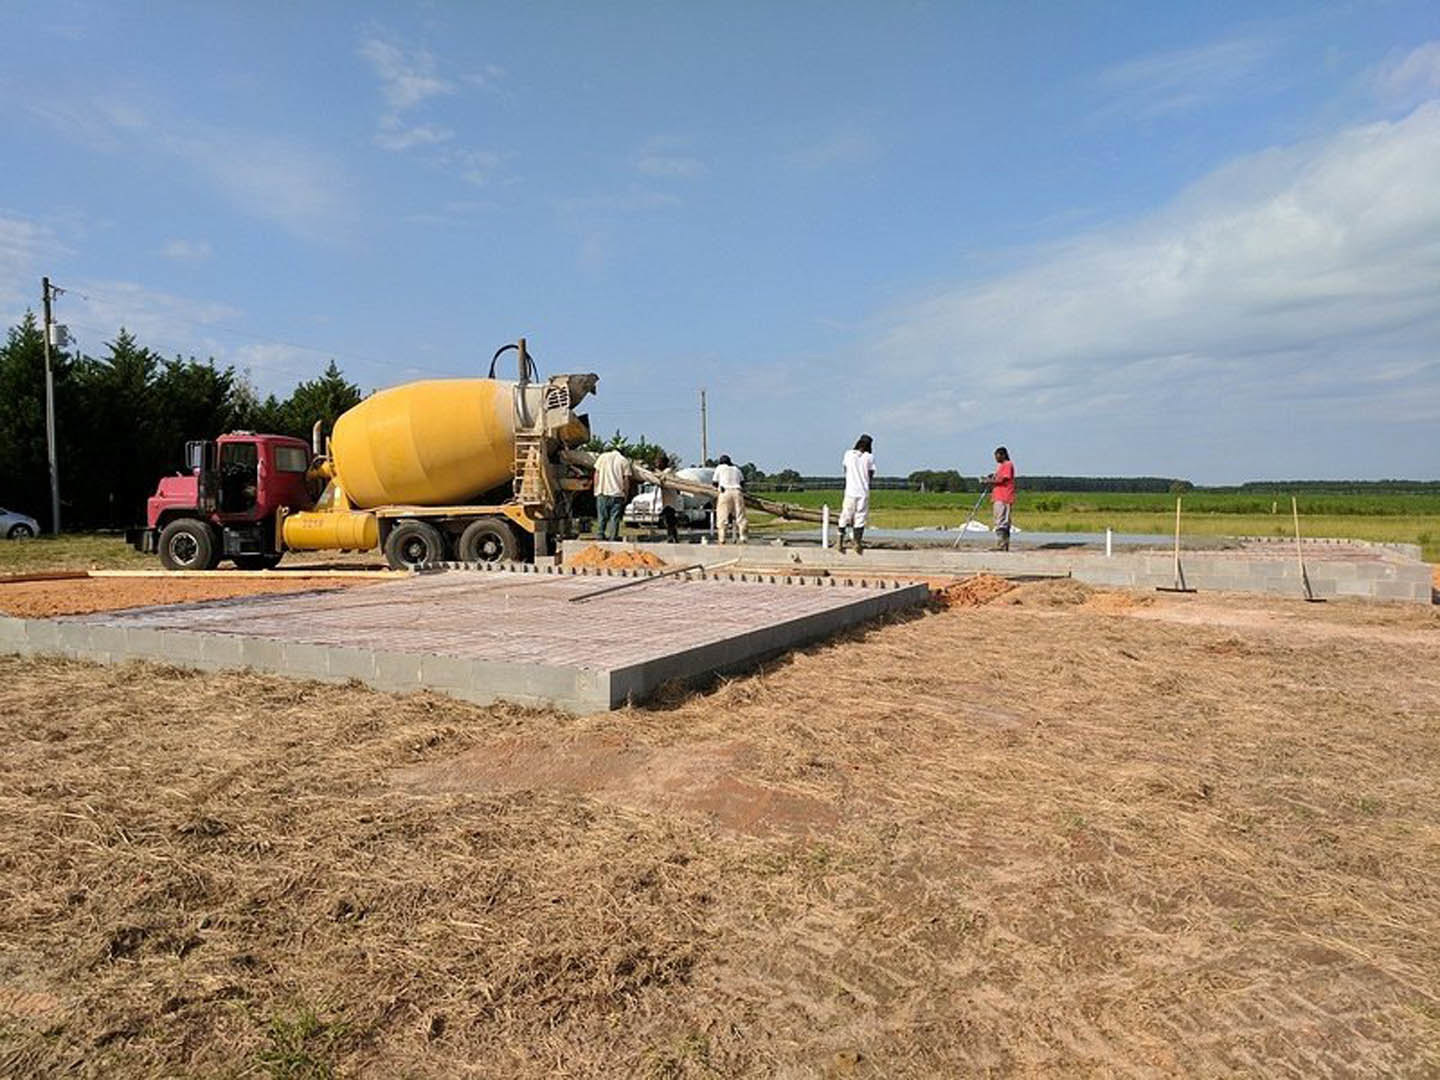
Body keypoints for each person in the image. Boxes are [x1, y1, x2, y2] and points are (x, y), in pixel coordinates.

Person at [838, 434, 875, 554]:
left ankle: (839, 542)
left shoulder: (848, 454)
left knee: (845, 516)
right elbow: (870, 474)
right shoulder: (869, 457)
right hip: (863, 492)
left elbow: (845, 469)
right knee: (860, 518)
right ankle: (857, 543)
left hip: (850, 491)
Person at [592, 446, 633, 541]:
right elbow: (626, 480)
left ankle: (600, 536)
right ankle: (613, 537)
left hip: (602, 492)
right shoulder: (624, 460)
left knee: (602, 517)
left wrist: (596, 489)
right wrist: (626, 493)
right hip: (617, 493)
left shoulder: (602, 457)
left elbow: (596, 474)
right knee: (614, 518)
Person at [982, 446, 1015, 551]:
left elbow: (1003, 479)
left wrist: (989, 481)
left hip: (1004, 497)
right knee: (998, 520)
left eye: (997, 456)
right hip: (998, 496)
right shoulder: (1001, 466)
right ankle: (1002, 544)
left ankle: (1002, 545)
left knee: (1002, 521)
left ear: (1003, 455)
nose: (996, 458)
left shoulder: (1008, 465)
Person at [712, 454, 747, 544]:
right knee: (740, 515)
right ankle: (743, 536)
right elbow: (742, 483)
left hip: (725, 492)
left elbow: (714, 483)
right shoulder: (736, 469)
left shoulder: (719, 468)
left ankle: (722, 538)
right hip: (737, 492)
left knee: (722, 516)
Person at [655, 453, 680, 543]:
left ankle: (671, 537)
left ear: (664, 463)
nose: (657, 464)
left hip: (670, 501)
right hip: (668, 501)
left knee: (669, 520)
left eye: (659, 463)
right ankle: (674, 537)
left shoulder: (668, 472)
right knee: (670, 520)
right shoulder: (668, 472)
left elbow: (661, 479)